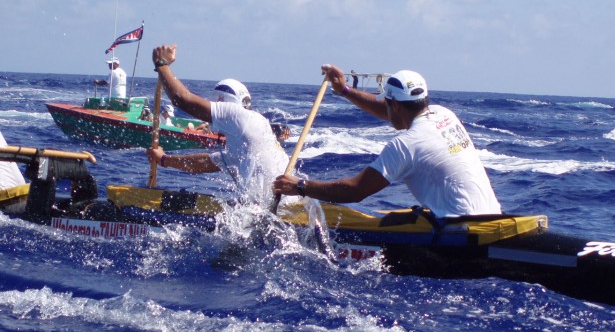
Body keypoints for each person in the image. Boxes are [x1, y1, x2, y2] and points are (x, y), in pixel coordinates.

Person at [274, 66, 501, 219]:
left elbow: (355, 191)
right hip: (492, 217)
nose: (385, 108)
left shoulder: (405, 145)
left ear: (398, 106)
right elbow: (388, 110)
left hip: (459, 232)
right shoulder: (444, 115)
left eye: (388, 103)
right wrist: (343, 90)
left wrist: (300, 187)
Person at [145, 44, 289, 205]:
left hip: (280, 210)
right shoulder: (245, 136)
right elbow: (204, 163)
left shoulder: (237, 115)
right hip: (279, 206)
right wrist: (164, 159)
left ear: (222, 102)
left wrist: (161, 64)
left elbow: (182, 100)